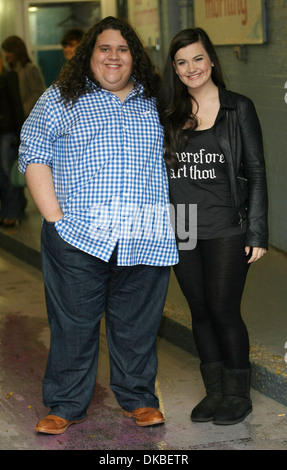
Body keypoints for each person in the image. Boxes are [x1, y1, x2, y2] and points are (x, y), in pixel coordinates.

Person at [19, 16, 178, 435]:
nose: (113, 57)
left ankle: (140, 399)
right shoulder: (60, 99)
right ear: (89, 55)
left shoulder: (157, 100)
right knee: (73, 325)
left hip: (145, 231)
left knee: (138, 325)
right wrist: (54, 219)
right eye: (104, 48)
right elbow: (33, 153)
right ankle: (66, 404)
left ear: (135, 57)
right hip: (77, 235)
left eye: (123, 49)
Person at [157, 28, 268, 426]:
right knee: (199, 311)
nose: (191, 68)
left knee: (224, 309)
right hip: (182, 222)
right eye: (182, 61)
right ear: (174, 68)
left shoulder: (238, 108)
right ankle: (216, 390)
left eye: (198, 58)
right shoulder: (167, 110)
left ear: (212, 60)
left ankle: (238, 393)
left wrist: (257, 231)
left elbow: (255, 170)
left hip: (226, 222)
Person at [0, 51, 25, 226]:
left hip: (8, 133)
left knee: (9, 172)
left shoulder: (9, 77)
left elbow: (16, 104)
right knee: (2, 175)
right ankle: (6, 211)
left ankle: (13, 213)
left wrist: (20, 134)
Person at [2, 35, 46, 118]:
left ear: (17, 51)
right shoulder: (9, 71)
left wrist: (23, 111)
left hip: (27, 117)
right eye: (5, 51)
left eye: (9, 51)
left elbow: (38, 93)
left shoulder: (29, 69)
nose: (6, 54)